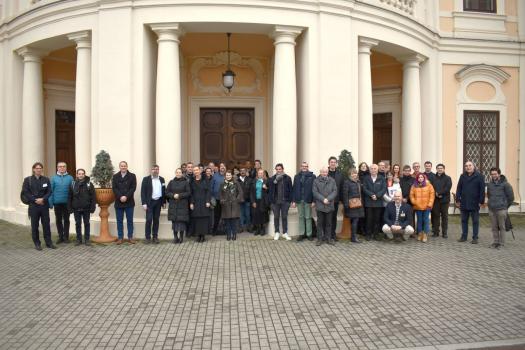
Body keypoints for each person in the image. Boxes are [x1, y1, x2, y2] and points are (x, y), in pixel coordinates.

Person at [20, 162, 55, 250]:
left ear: (42, 169)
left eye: (40, 168)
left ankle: (49, 242)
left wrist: (43, 199)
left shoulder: (46, 179)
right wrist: (35, 200)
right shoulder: (28, 180)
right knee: (34, 225)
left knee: (46, 225)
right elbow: (25, 192)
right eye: (37, 168)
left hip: (44, 205)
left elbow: (49, 191)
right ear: (33, 169)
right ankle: (37, 243)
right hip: (33, 206)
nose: (39, 170)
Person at [456, 161, 485, 244]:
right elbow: (459, 188)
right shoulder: (462, 176)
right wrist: (457, 200)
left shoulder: (479, 176)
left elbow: (482, 190)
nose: (468, 167)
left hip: (475, 202)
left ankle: (475, 237)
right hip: (464, 202)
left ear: (473, 166)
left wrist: (481, 201)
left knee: (475, 221)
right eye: (466, 166)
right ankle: (464, 236)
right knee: (464, 220)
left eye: (470, 165)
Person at [487, 167, 514, 249]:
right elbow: (489, 195)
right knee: (494, 227)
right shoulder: (490, 184)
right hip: (492, 209)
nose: (493, 175)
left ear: (499, 174)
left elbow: (511, 197)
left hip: (502, 209)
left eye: (495, 174)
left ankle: (501, 244)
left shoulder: (506, 184)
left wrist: (505, 206)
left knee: (502, 227)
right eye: (492, 174)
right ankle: (495, 242)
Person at [68, 169, 96, 246]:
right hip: (76, 208)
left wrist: (92, 207)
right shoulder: (73, 184)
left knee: (87, 223)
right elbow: (69, 197)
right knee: (78, 224)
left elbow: (93, 197)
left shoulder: (89, 184)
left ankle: (87, 239)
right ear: (77, 175)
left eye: (82, 174)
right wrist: (69, 208)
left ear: (84, 174)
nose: (81, 175)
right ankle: (78, 239)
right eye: (79, 174)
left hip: (86, 208)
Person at [112, 161, 137, 245]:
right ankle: (120, 238)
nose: (123, 167)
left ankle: (130, 237)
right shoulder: (115, 176)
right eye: (122, 166)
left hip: (129, 202)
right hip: (119, 202)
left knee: (130, 220)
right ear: (119, 167)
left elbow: (133, 188)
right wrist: (120, 197)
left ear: (127, 166)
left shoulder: (132, 176)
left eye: (124, 166)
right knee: (119, 221)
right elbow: (114, 188)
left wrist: (126, 196)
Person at [140, 164, 166, 244]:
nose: (155, 170)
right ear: (151, 170)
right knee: (149, 220)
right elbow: (143, 192)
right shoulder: (146, 179)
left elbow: (164, 191)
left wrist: (164, 202)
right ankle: (147, 237)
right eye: (154, 169)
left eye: (157, 169)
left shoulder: (162, 179)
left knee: (156, 220)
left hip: (158, 202)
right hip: (149, 203)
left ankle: (155, 237)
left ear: (158, 170)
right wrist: (144, 203)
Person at [312, 167, 338, 246]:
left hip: (329, 205)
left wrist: (328, 199)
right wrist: (323, 199)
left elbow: (335, 191)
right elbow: (315, 192)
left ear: (327, 172)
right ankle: (320, 239)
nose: (324, 173)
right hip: (320, 205)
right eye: (323, 172)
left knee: (329, 223)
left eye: (326, 172)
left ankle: (328, 238)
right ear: (320, 172)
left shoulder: (332, 180)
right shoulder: (316, 181)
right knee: (320, 223)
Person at [50, 162, 74, 244]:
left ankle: (66, 237)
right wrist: (50, 203)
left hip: (67, 203)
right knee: (58, 220)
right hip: (57, 203)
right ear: (57, 168)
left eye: (64, 166)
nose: (62, 168)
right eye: (60, 166)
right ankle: (60, 237)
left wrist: (72, 203)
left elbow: (73, 191)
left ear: (66, 168)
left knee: (67, 220)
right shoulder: (53, 178)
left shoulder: (70, 178)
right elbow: (51, 191)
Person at [268, 163, 293, 241]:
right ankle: (277, 232)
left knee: (284, 217)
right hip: (275, 202)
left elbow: (291, 190)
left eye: (280, 169)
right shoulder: (272, 178)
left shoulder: (287, 178)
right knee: (276, 217)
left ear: (282, 169)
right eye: (277, 169)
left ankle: (285, 233)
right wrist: (275, 181)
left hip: (285, 202)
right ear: (275, 170)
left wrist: (290, 200)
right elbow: (270, 190)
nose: (278, 170)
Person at [291, 162, 316, 241]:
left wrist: (313, 201)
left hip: (308, 200)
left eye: (306, 166)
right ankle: (302, 234)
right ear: (301, 167)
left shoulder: (312, 176)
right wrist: (293, 201)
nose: (304, 167)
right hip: (299, 199)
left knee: (308, 217)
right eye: (303, 166)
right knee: (301, 217)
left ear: (308, 167)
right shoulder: (297, 176)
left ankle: (309, 234)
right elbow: (294, 189)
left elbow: (314, 189)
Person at [166, 168, 191, 244]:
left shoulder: (185, 182)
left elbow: (188, 193)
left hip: (182, 205)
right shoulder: (171, 182)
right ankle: (175, 237)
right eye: (177, 172)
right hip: (173, 205)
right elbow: (167, 192)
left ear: (182, 173)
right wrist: (173, 195)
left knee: (181, 222)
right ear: (175, 173)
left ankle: (181, 237)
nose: (178, 174)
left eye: (179, 172)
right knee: (174, 222)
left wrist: (179, 195)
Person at [363, 164, 387, 241]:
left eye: (375, 169)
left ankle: (376, 234)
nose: (373, 170)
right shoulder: (366, 178)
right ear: (369, 170)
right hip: (369, 202)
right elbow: (364, 188)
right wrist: (371, 195)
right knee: (369, 219)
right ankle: (368, 234)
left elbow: (384, 189)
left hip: (378, 202)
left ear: (377, 170)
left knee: (377, 219)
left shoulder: (382, 178)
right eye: (372, 169)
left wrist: (377, 195)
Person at [410, 173, 435, 243]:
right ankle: (420, 233)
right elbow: (411, 195)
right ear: (417, 178)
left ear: (424, 178)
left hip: (426, 206)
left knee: (426, 220)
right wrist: (414, 202)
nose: (420, 178)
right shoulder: (414, 186)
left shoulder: (429, 185)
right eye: (419, 177)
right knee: (419, 220)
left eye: (422, 177)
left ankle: (425, 234)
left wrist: (430, 204)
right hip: (418, 207)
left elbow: (432, 195)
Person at [220, 170, 243, 241]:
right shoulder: (223, 184)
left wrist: (237, 199)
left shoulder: (236, 183)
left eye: (229, 175)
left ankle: (234, 234)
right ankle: (228, 235)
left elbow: (240, 192)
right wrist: (222, 200)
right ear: (225, 176)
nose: (228, 176)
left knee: (234, 221)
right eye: (227, 175)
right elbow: (221, 193)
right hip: (226, 205)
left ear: (231, 176)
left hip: (234, 205)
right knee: (227, 222)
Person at [190, 166, 211, 242]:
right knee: (197, 219)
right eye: (194, 170)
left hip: (204, 202)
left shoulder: (205, 180)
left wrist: (208, 201)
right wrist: (191, 202)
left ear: (200, 171)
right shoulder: (191, 180)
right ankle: (198, 235)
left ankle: (203, 235)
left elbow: (208, 191)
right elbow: (191, 193)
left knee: (203, 219)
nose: (196, 171)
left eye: (197, 170)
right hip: (195, 202)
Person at [342, 168, 364, 243]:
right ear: (350, 175)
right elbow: (345, 194)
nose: (354, 175)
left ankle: (353, 236)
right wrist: (346, 205)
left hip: (358, 204)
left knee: (356, 220)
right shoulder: (347, 182)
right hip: (351, 205)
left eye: (355, 173)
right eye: (352, 173)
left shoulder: (358, 182)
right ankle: (353, 237)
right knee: (355, 220)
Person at [431, 163, 452, 238]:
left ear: (444, 169)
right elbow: (431, 187)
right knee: (436, 216)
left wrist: (439, 193)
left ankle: (444, 233)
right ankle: (436, 232)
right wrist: (435, 193)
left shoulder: (448, 178)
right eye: (438, 168)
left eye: (441, 168)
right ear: (436, 169)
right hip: (435, 200)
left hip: (444, 200)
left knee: (444, 216)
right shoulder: (433, 178)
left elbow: (448, 188)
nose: (440, 169)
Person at [327, 156, 344, 241]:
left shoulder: (340, 174)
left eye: (334, 162)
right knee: (327, 217)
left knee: (334, 217)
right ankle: (327, 235)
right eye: (331, 162)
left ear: (336, 164)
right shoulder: (325, 173)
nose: (333, 163)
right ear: (329, 163)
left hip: (336, 200)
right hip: (326, 200)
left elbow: (342, 187)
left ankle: (333, 234)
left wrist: (342, 199)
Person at [251, 169, 270, 236]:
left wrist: (266, 188)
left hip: (263, 201)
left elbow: (270, 191)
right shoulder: (254, 181)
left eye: (262, 173)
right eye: (259, 173)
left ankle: (262, 229)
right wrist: (253, 201)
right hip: (256, 201)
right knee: (256, 215)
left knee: (263, 215)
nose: (260, 174)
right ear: (257, 174)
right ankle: (258, 229)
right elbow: (251, 192)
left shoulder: (266, 181)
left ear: (263, 174)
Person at [211, 163, 226, 235]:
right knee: (216, 215)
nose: (222, 168)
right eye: (221, 167)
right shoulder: (215, 176)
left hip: (226, 200)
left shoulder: (228, 175)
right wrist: (212, 197)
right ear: (219, 168)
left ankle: (225, 230)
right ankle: (214, 230)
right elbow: (211, 187)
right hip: (216, 199)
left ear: (225, 168)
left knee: (226, 215)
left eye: (223, 167)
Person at [237, 167, 253, 232]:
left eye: (244, 171)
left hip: (247, 200)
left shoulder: (249, 180)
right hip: (240, 201)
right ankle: (241, 228)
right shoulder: (237, 180)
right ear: (239, 172)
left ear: (246, 172)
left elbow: (251, 191)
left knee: (248, 215)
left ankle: (248, 227)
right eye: (241, 171)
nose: (242, 172)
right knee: (241, 215)